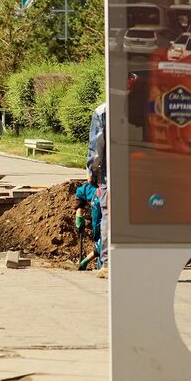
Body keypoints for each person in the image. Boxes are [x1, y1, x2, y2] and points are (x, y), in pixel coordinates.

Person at [83, 101, 108, 270]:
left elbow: (97, 147)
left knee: (109, 216)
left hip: (113, 173)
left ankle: (108, 263)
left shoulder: (103, 111)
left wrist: (92, 170)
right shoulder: (151, 104)